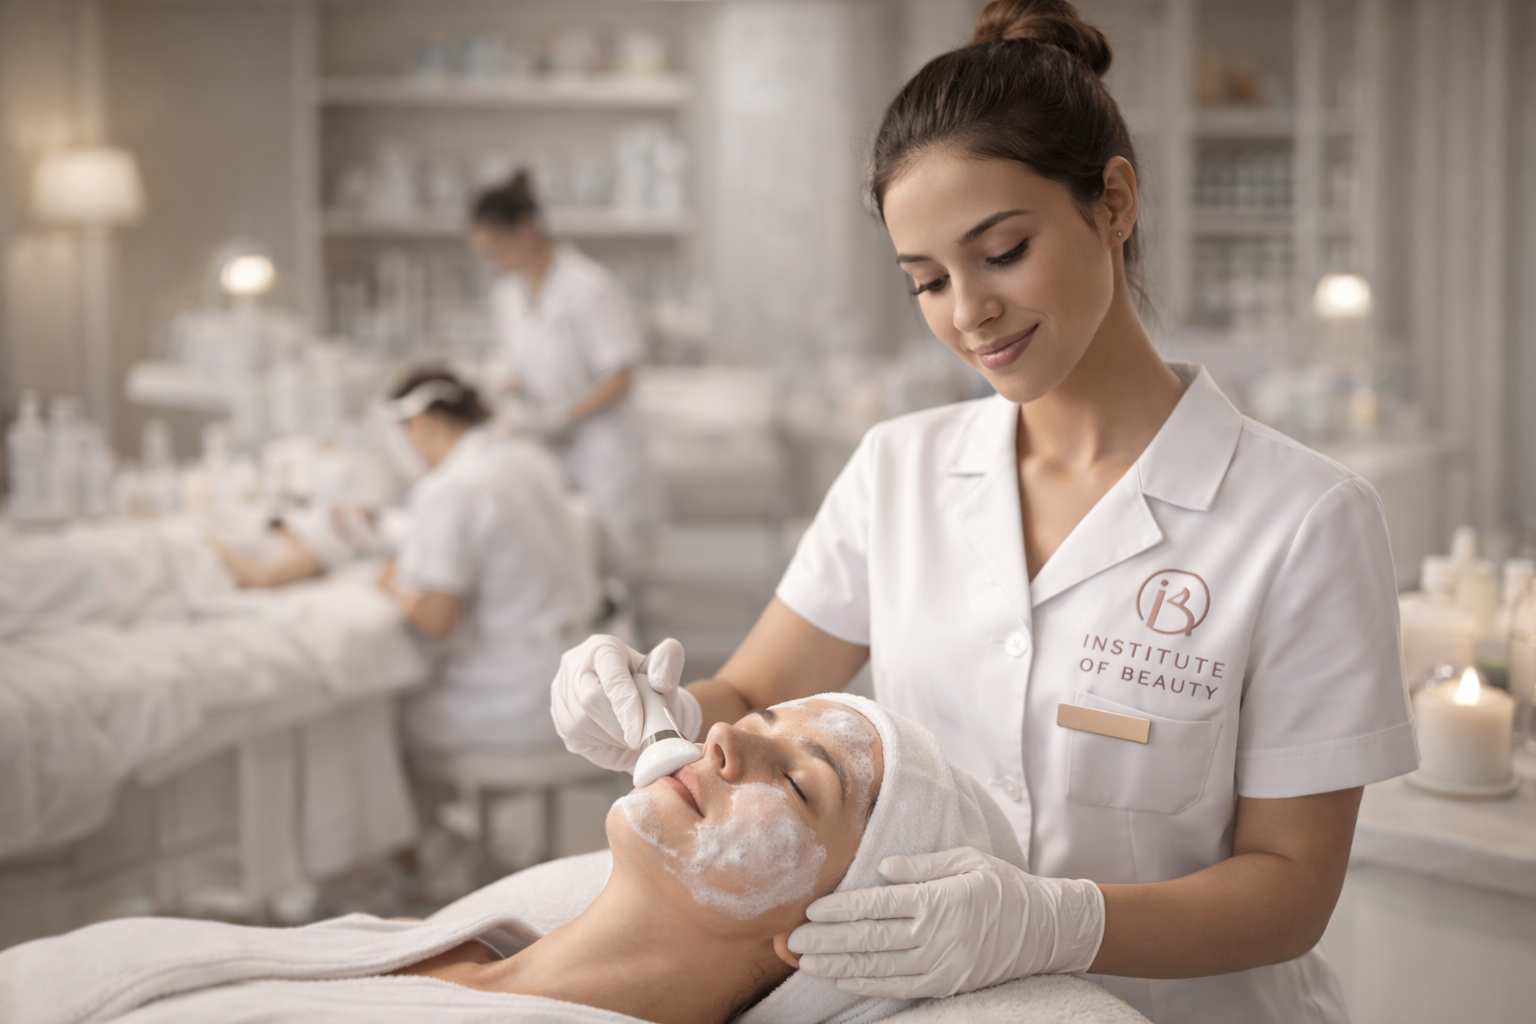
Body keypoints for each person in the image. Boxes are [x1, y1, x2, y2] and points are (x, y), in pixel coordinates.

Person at [548, 3, 1418, 1022]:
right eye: (927, 281)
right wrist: (662, 711)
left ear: (1115, 202)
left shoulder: (1302, 521)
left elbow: (1290, 888)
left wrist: (1055, 922)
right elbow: (757, 687)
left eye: (1002, 250)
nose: (968, 312)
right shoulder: (898, 470)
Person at [0, 695, 1042, 1024]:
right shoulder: (470, 942)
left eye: (803, 781)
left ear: (824, 930)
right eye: (761, 716)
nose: (725, 738)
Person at [381, 369, 601, 752]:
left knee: (385, 721)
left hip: (521, 694)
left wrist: (392, 584)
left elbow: (437, 620)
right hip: (587, 678)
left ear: (420, 423)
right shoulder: (529, 459)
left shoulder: (450, 488)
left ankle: (433, 815)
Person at [471, 171, 664, 568]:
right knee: (565, 562)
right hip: (551, 453)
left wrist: (562, 416)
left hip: (602, 453)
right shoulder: (508, 294)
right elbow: (524, 364)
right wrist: (509, 389)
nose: (493, 262)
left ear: (527, 229)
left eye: (497, 248)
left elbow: (622, 376)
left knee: (611, 567)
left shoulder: (587, 286)